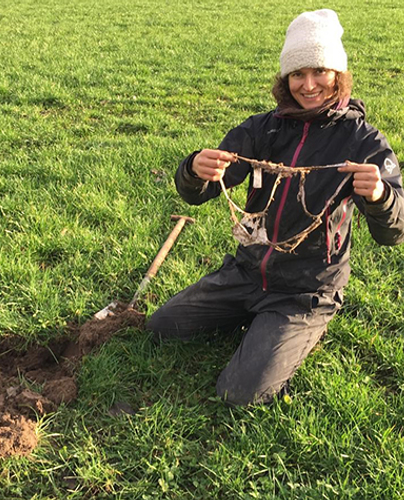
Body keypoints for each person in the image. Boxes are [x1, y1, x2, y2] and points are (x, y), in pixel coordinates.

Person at [146, 9, 404, 406]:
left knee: (239, 393)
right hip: (247, 272)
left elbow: (394, 232)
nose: (308, 84)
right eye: (297, 74)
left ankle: (296, 329)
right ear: (285, 80)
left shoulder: (363, 141)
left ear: (337, 73)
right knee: (162, 326)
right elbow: (203, 191)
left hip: (305, 290)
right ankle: (255, 320)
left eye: (319, 71)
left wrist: (379, 197)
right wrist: (195, 170)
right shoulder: (262, 129)